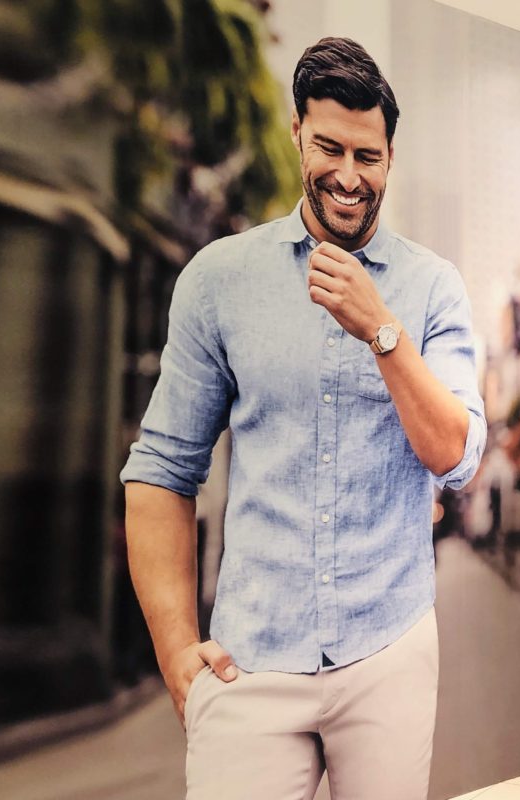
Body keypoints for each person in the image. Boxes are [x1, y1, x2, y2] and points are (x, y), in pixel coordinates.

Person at [119, 36, 485, 799]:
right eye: (330, 149)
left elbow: (456, 456)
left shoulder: (432, 289)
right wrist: (177, 649)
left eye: (370, 157)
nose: (349, 178)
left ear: (391, 158)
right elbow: (161, 470)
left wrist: (381, 330)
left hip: (388, 649)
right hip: (251, 658)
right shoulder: (219, 281)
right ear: (297, 134)